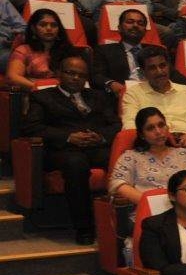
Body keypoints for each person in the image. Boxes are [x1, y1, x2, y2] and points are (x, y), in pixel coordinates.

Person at [24, 54, 121, 243]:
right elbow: (31, 127)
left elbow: (116, 125)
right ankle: (84, 226)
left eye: (81, 75)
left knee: (121, 158)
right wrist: (69, 137)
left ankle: (121, 221)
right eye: (70, 73)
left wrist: (100, 137)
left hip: (94, 147)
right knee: (76, 163)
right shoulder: (42, 97)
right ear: (59, 73)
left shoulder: (99, 97)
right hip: (61, 151)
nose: (76, 78)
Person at [109, 109, 186, 253]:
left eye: (161, 125)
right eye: (150, 128)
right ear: (141, 135)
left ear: (167, 127)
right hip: (150, 214)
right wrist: (150, 202)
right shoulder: (131, 157)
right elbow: (117, 183)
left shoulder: (184, 154)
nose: (158, 131)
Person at [6, 8, 76, 89]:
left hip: (64, 95)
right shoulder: (23, 50)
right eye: (43, 25)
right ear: (33, 28)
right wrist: (41, 88)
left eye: (54, 25)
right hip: (34, 95)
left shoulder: (67, 50)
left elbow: (78, 76)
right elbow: (12, 77)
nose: (49, 28)